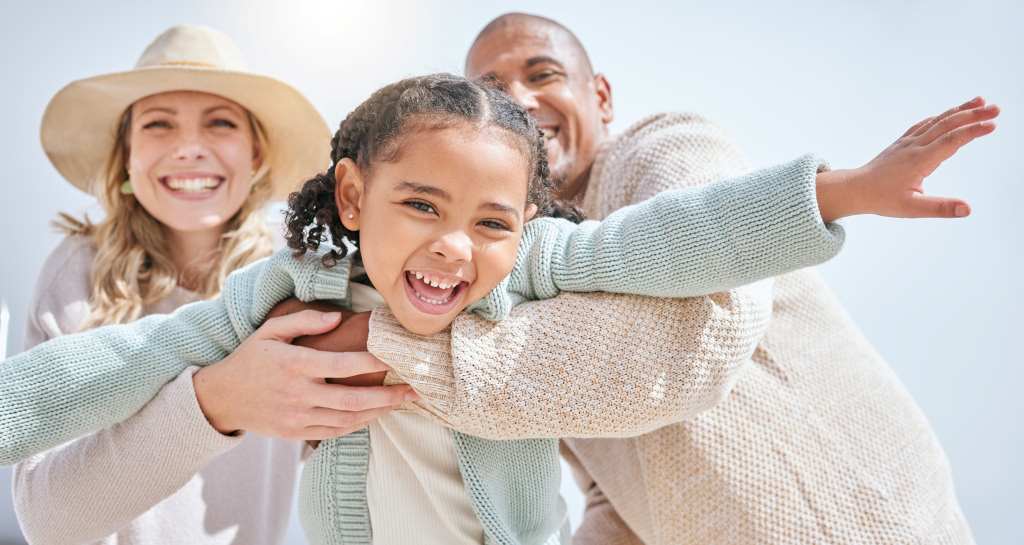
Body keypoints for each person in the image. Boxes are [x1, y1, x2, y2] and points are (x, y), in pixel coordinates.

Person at [1, 68, 993, 543]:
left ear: (525, 217)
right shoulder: (287, 289)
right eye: (420, 205)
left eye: (489, 219)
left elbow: (675, 235)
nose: (451, 244)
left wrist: (840, 189)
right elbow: (130, 356)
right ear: (352, 198)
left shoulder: (541, 263)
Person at [367, 12, 977, 544]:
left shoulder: (663, 147)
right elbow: (614, 490)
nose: (521, 101)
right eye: (495, 93)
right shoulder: (511, 268)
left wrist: (380, 346)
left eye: (543, 74)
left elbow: (694, 341)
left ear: (601, 97)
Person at [8, 24, 413, 545]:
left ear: (256, 156)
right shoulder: (79, 273)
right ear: (127, 156)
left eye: (220, 123)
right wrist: (217, 402)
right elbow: (47, 522)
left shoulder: (302, 275)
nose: (190, 149)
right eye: (159, 125)